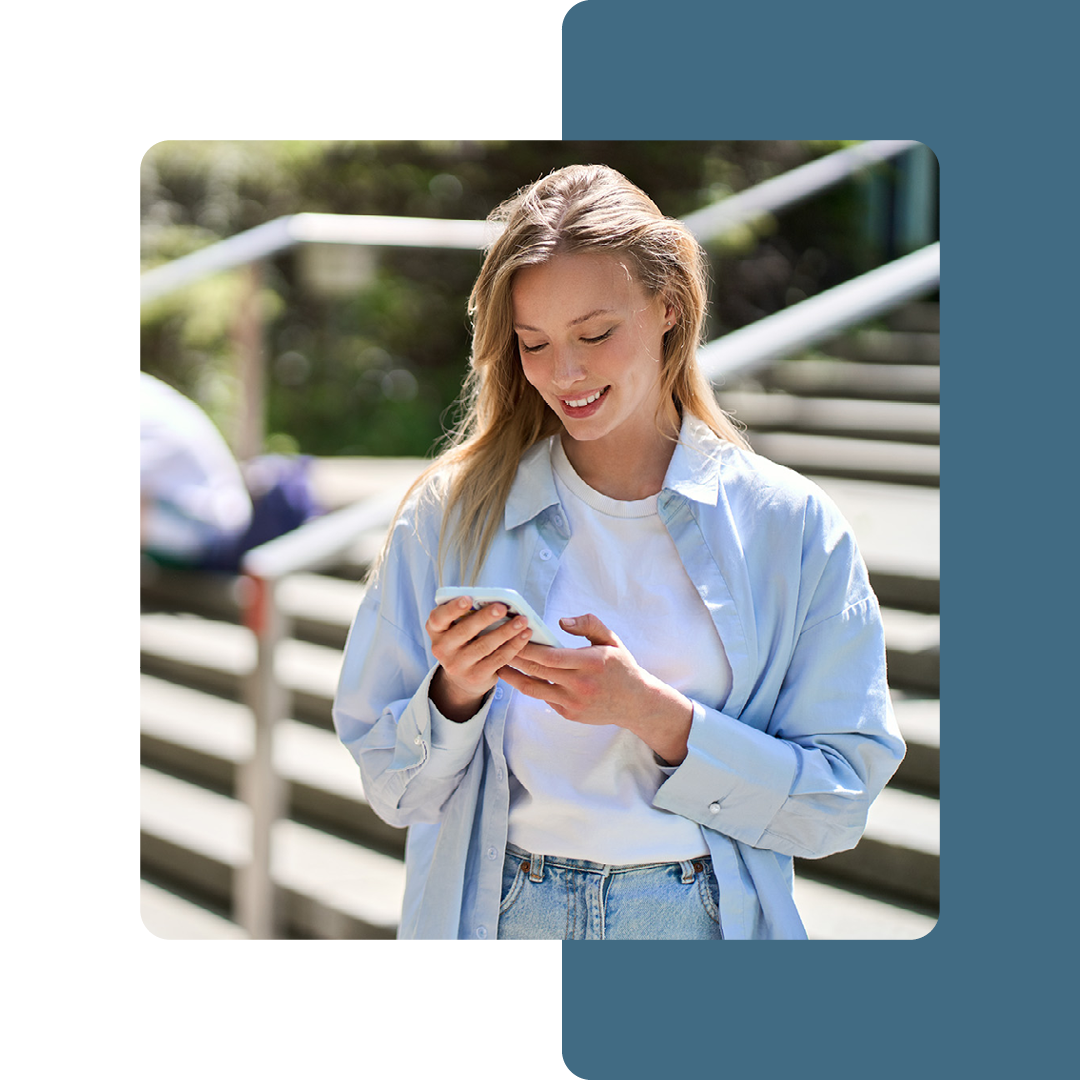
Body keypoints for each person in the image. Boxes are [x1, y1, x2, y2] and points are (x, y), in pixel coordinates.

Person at [332, 164, 906, 940]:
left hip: (700, 921)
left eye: (595, 334)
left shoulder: (790, 524)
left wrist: (655, 716)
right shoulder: (452, 514)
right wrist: (454, 695)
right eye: (533, 344)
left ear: (669, 306)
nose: (564, 374)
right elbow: (393, 790)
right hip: (501, 914)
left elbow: (838, 806)